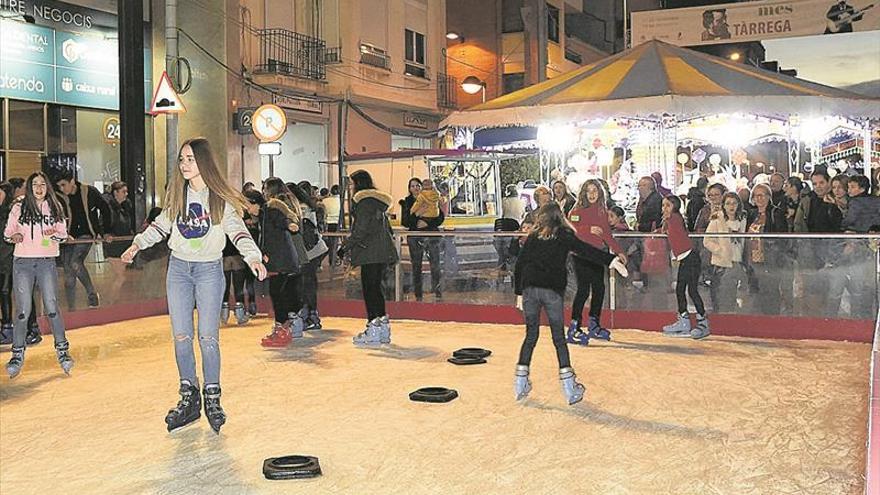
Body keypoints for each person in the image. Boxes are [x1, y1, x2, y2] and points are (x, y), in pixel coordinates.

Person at [121, 137, 267, 434]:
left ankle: (212, 396)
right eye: (182, 159)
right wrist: (137, 245)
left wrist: (252, 257)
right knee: (182, 337)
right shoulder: (177, 195)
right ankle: (189, 396)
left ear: (203, 162)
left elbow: (237, 231)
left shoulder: (219, 199)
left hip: (209, 271)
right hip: (178, 270)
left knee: (208, 338)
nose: (184, 165)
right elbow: (161, 226)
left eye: (190, 159)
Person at [512, 203, 628, 405]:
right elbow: (586, 250)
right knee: (558, 338)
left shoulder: (532, 236)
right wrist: (610, 260)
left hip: (530, 290)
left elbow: (520, 265)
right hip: (551, 292)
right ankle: (568, 387)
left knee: (531, 335)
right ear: (560, 216)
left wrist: (519, 293)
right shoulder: (564, 235)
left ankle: (520, 383)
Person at [4, 172, 72, 379]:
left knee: (52, 308)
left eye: (43, 184)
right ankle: (17, 354)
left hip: (46, 262)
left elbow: (63, 233)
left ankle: (63, 351)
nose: (39, 188)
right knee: (23, 310)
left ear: (47, 187)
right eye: (35, 184)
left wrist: (55, 234)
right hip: (23, 262)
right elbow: (8, 232)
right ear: (30, 187)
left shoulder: (54, 206)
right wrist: (13, 236)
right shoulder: (19, 206)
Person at [338, 170, 399, 346]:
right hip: (381, 252)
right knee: (376, 289)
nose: (350, 188)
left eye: (351, 184)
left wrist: (345, 247)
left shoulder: (364, 203)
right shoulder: (377, 203)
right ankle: (381, 328)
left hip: (370, 253)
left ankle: (374, 327)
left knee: (370, 291)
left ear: (358, 184)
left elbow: (361, 230)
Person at [566, 179, 627, 345]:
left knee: (599, 288)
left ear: (600, 193)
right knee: (583, 289)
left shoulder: (602, 211)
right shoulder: (576, 210)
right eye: (589, 191)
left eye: (595, 191)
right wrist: (588, 229)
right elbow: (570, 231)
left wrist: (619, 252)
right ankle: (574, 326)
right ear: (584, 193)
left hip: (599, 254)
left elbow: (607, 234)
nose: (592, 194)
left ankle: (594, 323)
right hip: (581, 254)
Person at [259, 178, 307, 347]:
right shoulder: (289, 201)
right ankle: (293, 324)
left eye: (264, 187)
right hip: (292, 254)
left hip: (279, 256)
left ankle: (282, 328)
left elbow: (276, 224)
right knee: (289, 291)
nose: (263, 191)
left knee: (278, 293)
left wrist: (264, 251)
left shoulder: (272, 206)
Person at [55, 170, 112, 309]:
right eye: (59, 186)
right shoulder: (59, 197)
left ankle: (92, 294)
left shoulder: (89, 192)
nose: (62, 189)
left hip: (86, 234)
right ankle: (71, 308)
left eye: (64, 185)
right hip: (68, 237)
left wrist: (105, 232)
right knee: (68, 274)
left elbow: (105, 209)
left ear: (72, 181)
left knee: (75, 262)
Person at [661, 195, 710, 339]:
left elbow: (673, 223)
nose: (664, 208)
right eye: (663, 205)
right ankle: (684, 320)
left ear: (675, 207)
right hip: (685, 258)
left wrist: (666, 220)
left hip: (690, 258)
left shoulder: (675, 218)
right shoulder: (670, 221)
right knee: (680, 289)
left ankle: (702, 321)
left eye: (668, 205)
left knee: (692, 290)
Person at [400, 178, 444, 301]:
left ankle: (437, 290)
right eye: (412, 186)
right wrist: (417, 215)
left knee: (435, 264)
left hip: (432, 236)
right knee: (416, 265)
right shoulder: (407, 202)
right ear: (409, 188)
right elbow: (405, 221)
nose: (415, 188)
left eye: (417, 185)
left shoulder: (431, 197)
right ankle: (418, 293)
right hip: (415, 237)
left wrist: (427, 223)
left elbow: (440, 217)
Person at [702, 192, 747, 313]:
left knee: (732, 294)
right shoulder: (717, 220)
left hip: (737, 261)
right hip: (722, 263)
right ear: (723, 205)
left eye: (734, 203)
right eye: (728, 203)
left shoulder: (742, 220)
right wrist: (720, 251)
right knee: (721, 294)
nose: (731, 206)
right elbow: (707, 240)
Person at [290, 181, 324, 330]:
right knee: (309, 282)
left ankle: (308, 316)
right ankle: (311, 315)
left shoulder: (300, 209)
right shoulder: (310, 206)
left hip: (307, 251)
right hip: (316, 250)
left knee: (304, 284)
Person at [104, 181, 134, 258]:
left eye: (126, 192)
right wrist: (106, 234)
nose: (126, 194)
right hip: (114, 244)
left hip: (125, 242)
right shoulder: (108, 207)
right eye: (123, 192)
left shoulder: (126, 207)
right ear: (115, 192)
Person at [323, 184, 341, 267]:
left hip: (329, 223)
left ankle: (332, 260)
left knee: (331, 243)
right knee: (338, 243)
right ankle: (335, 258)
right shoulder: (341, 200)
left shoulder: (325, 201)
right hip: (338, 223)